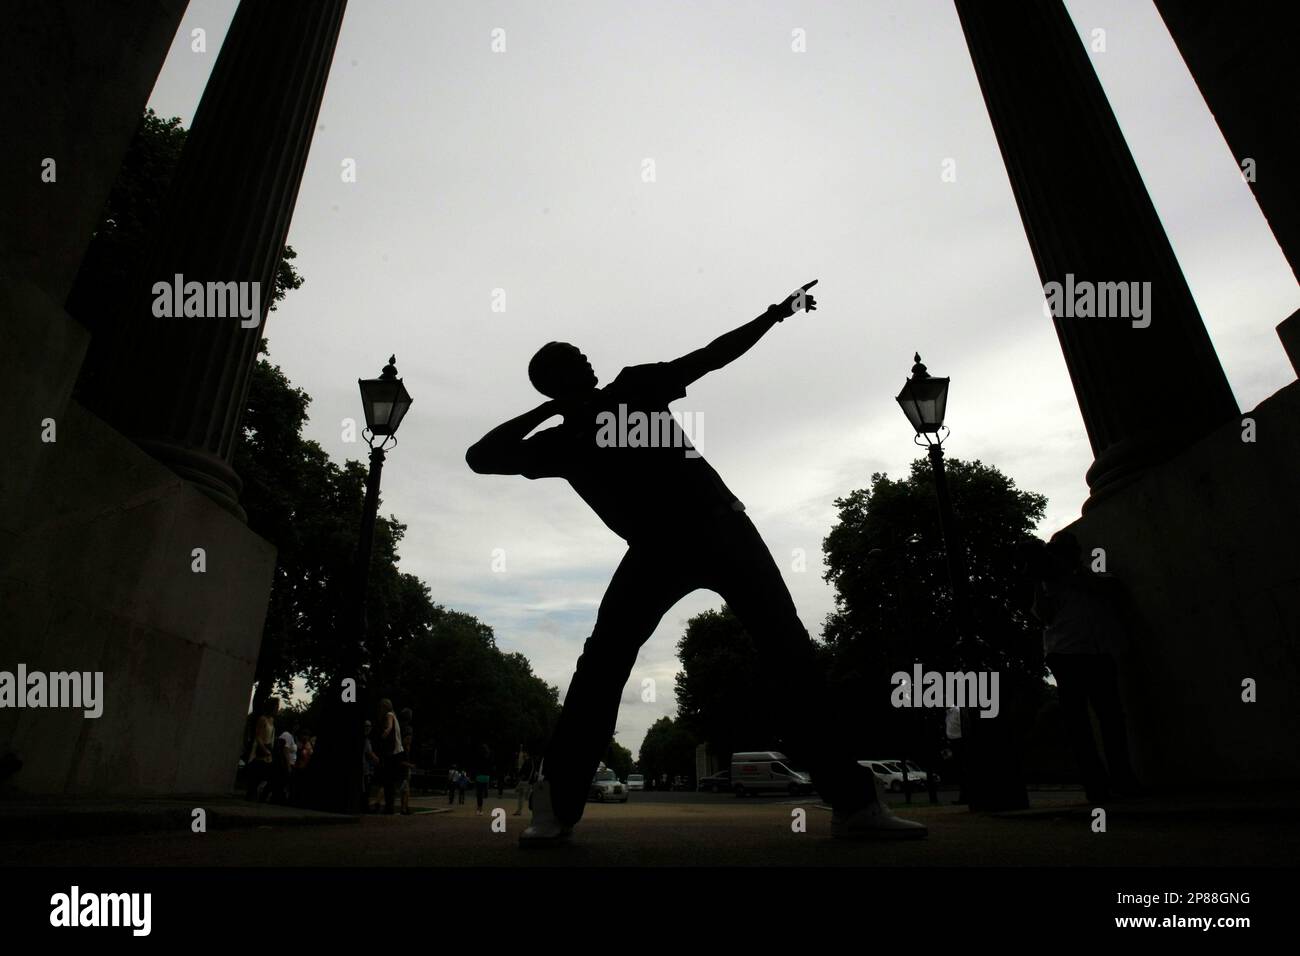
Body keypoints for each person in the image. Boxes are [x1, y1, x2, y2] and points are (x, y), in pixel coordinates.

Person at [466, 281, 925, 846]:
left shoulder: (631, 388)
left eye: (580, 353)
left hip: (717, 526)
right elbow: (479, 458)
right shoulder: (560, 440)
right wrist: (549, 410)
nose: (585, 358)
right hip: (668, 544)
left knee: (789, 652)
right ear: (555, 380)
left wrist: (773, 316)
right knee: (603, 668)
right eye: (569, 358)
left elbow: (710, 357)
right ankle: (555, 805)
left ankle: (854, 803)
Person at [1031, 531, 1142, 804]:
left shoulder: (1092, 574)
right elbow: (1042, 615)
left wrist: (1064, 577)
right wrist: (1040, 579)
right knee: (1083, 724)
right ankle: (1098, 784)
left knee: (1109, 719)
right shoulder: (1048, 582)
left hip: (1094, 652)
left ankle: (1120, 779)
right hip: (1067, 654)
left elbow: (1110, 588)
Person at [244, 697, 280, 802]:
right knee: (258, 773)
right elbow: (258, 736)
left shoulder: (272, 720)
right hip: (262, 749)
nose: (277, 709)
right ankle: (251, 794)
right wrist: (264, 749)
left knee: (265, 774)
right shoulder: (262, 719)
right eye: (276, 706)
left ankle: (257, 794)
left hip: (269, 748)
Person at [376, 699, 405, 815]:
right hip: (398, 752)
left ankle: (389, 807)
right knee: (390, 782)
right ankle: (390, 806)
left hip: (392, 752)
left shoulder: (389, 715)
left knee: (387, 781)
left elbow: (389, 727)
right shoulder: (395, 716)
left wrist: (383, 735)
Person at [270, 723, 298, 804]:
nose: (297, 727)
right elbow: (285, 750)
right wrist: (288, 765)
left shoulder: (292, 737)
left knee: (282, 782)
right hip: (285, 763)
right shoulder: (287, 735)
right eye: (295, 725)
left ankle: (278, 799)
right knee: (281, 782)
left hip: (290, 763)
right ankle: (275, 799)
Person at [398, 708, 415, 816]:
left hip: (398, 751)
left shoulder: (399, 726)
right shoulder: (408, 728)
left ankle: (403, 807)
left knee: (403, 785)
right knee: (406, 785)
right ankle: (405, 807)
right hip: (404, 755)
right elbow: (407, 741)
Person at [362, 720, 380, 812]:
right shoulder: (364, 739)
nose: (368, 728)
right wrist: (376, 759)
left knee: (366, 788)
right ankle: (365, 807)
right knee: (365, 789)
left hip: (366, 767)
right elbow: (369, 752)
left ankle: (365, 806)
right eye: (366, 726)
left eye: (369, 727)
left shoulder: (367, 739)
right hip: (364, 768)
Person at [514, 749, 536, 816]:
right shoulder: (532, 762)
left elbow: (523, 771)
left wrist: (520, 777)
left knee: (521, 795)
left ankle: (519, 811)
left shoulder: (527, 762)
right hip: (529, 781)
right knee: (525, 795)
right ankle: (519, 810)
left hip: (524, 780)